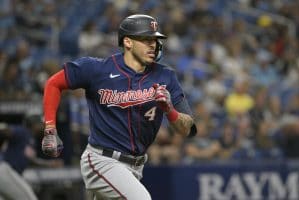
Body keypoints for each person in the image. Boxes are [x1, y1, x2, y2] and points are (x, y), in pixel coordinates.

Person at [41, 14, 197, 200]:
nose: (153, 45)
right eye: (147, 40)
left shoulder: (166, 76)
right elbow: (53, 83)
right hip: (101, 160)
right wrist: (50, 128)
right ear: (128, 42)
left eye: (155, 40)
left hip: (136, 167)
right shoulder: (98, 69)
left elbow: (187, 129)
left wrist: (169, 110)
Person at [0, 122, 38, 200]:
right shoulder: (23, 131)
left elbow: (30, 160)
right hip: (5, 171)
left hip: (11, 174)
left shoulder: (32, 140)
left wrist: (48, 164)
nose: (43, 126)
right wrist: (3, 128)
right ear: (33, 122)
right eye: (40, 123)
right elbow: (6, 130)